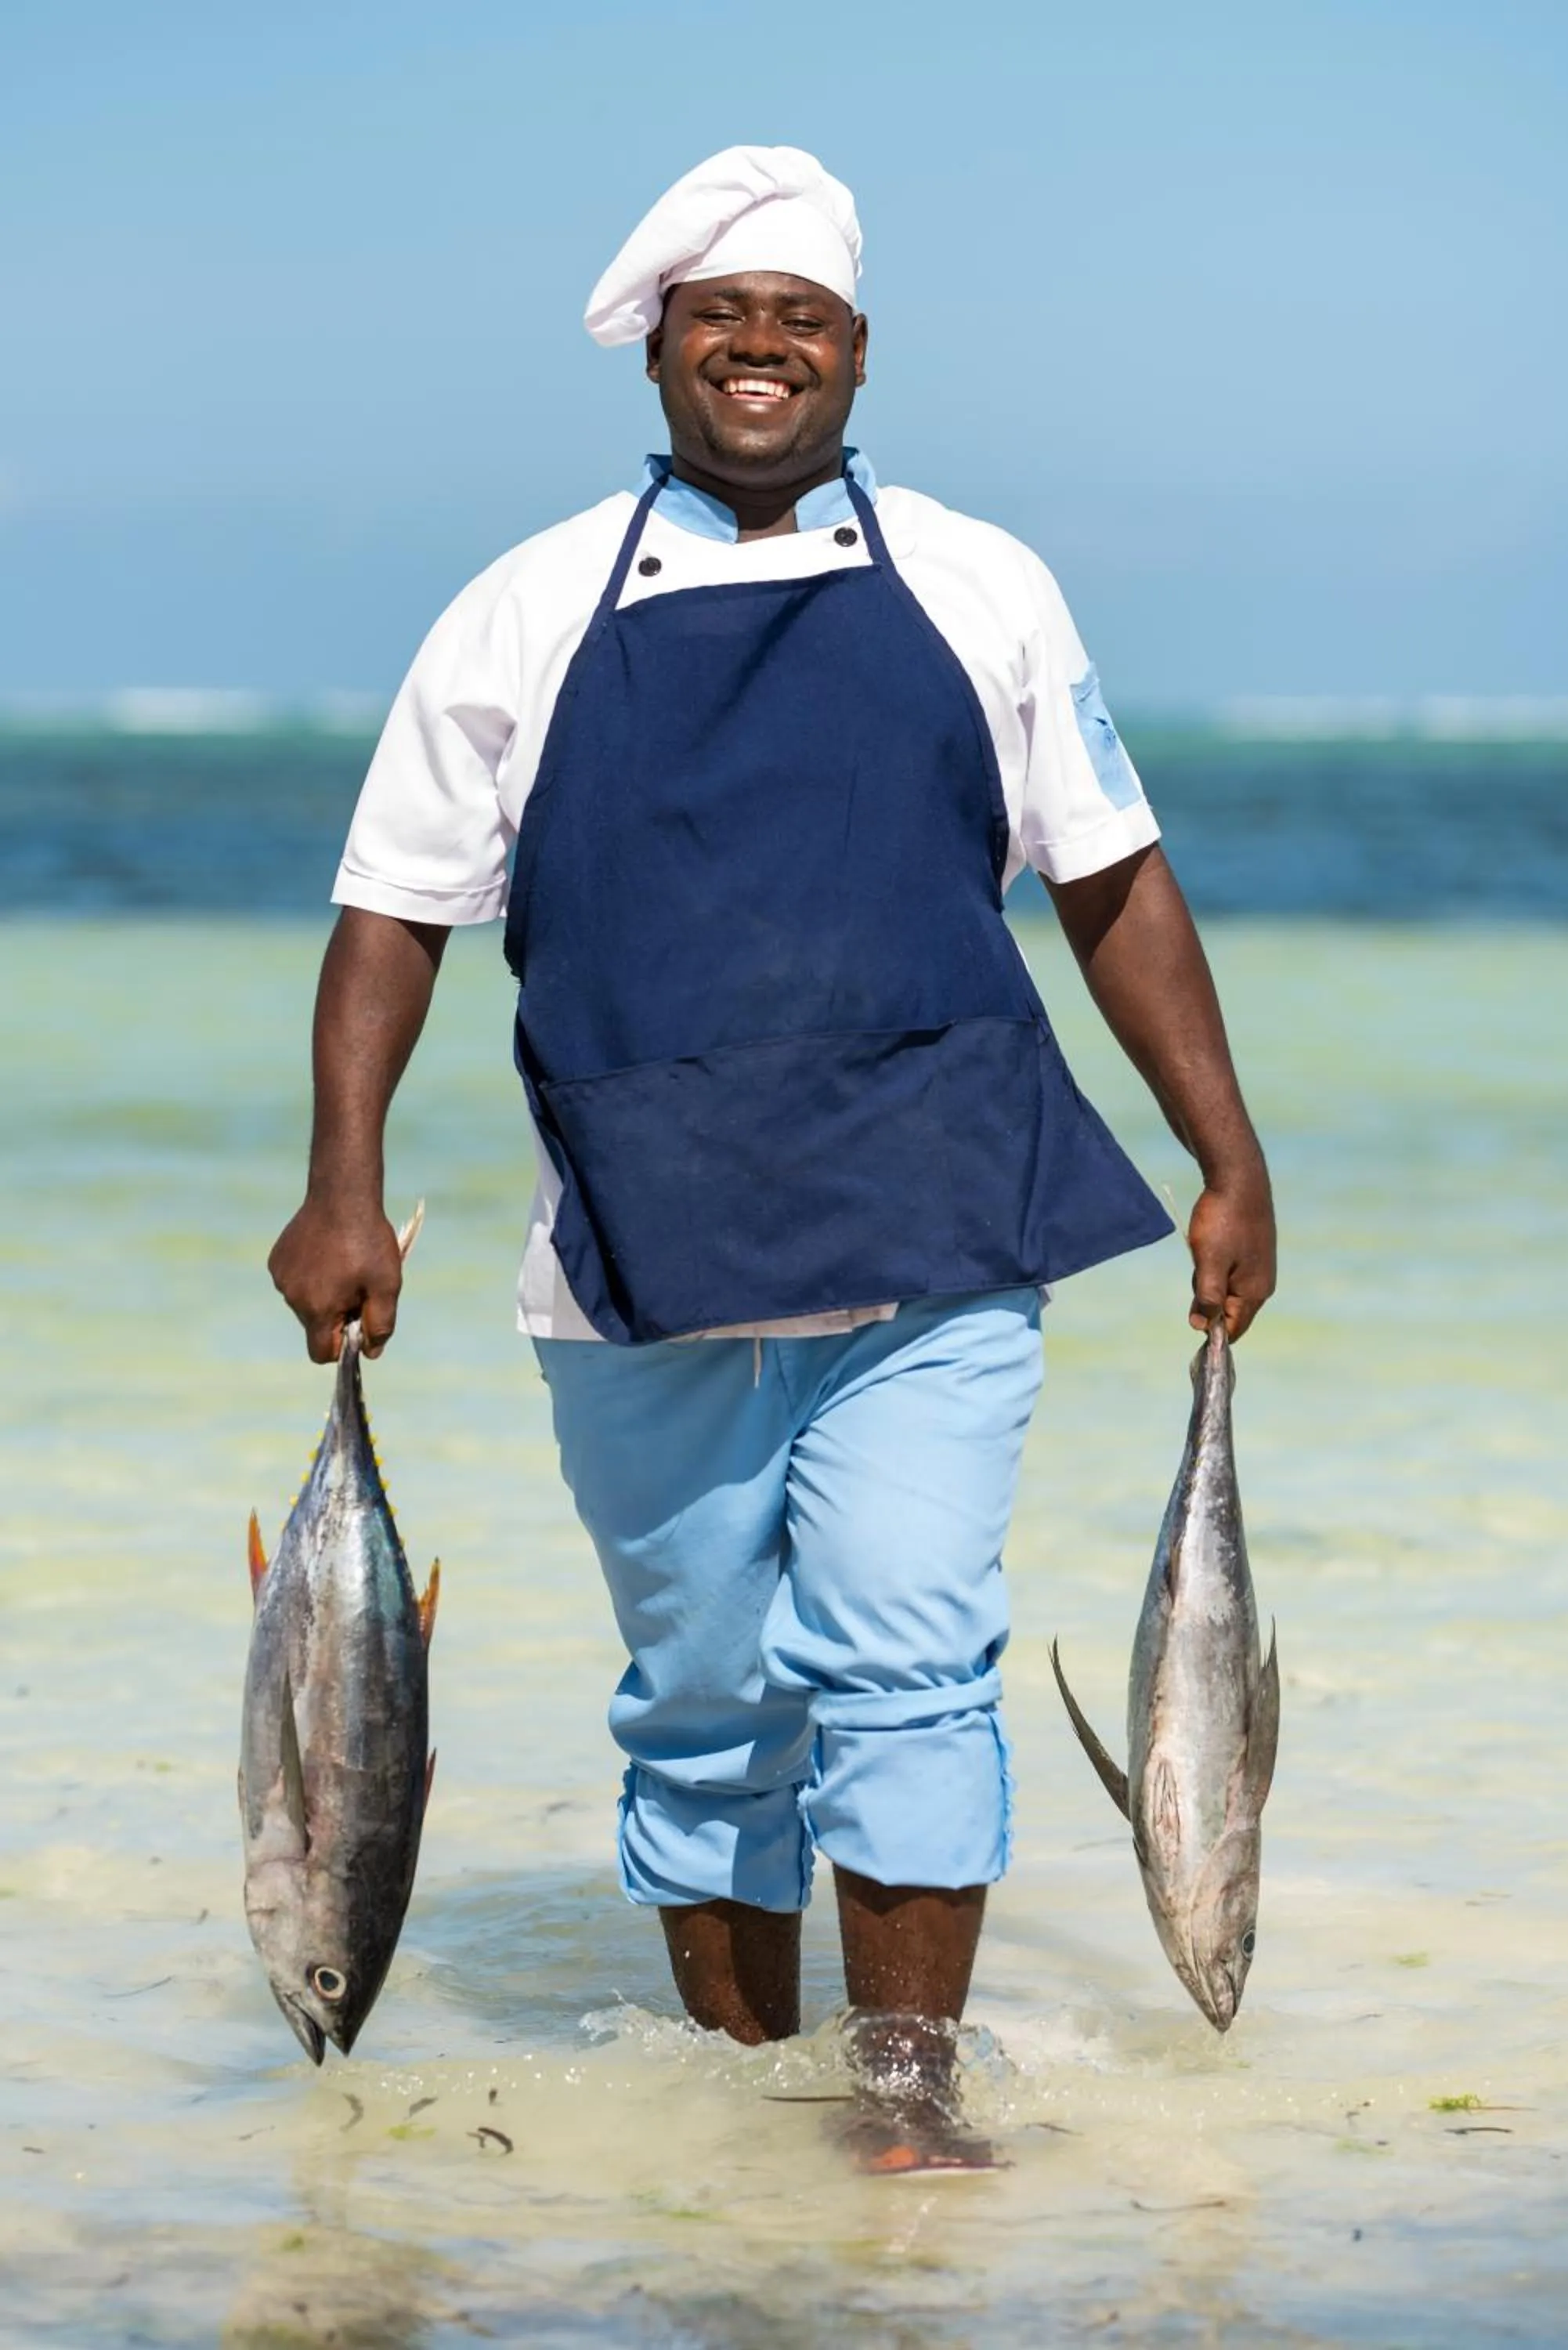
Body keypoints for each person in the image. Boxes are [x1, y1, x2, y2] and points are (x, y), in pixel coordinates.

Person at [269, 146, 1275, 2171]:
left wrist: (1225, 1150)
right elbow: (391, 917)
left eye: (799, 318)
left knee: (909, 1657)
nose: (760, 348)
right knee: (711, 1699)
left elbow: (1113, 883)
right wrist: (341, 1184)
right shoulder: (524, 608)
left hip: (939, 1224)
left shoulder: (983, 583)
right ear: (657, 349)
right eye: (720, 315)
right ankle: (747, 2117)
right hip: (638, 1249)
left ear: (858, 352)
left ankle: (904, 2104)